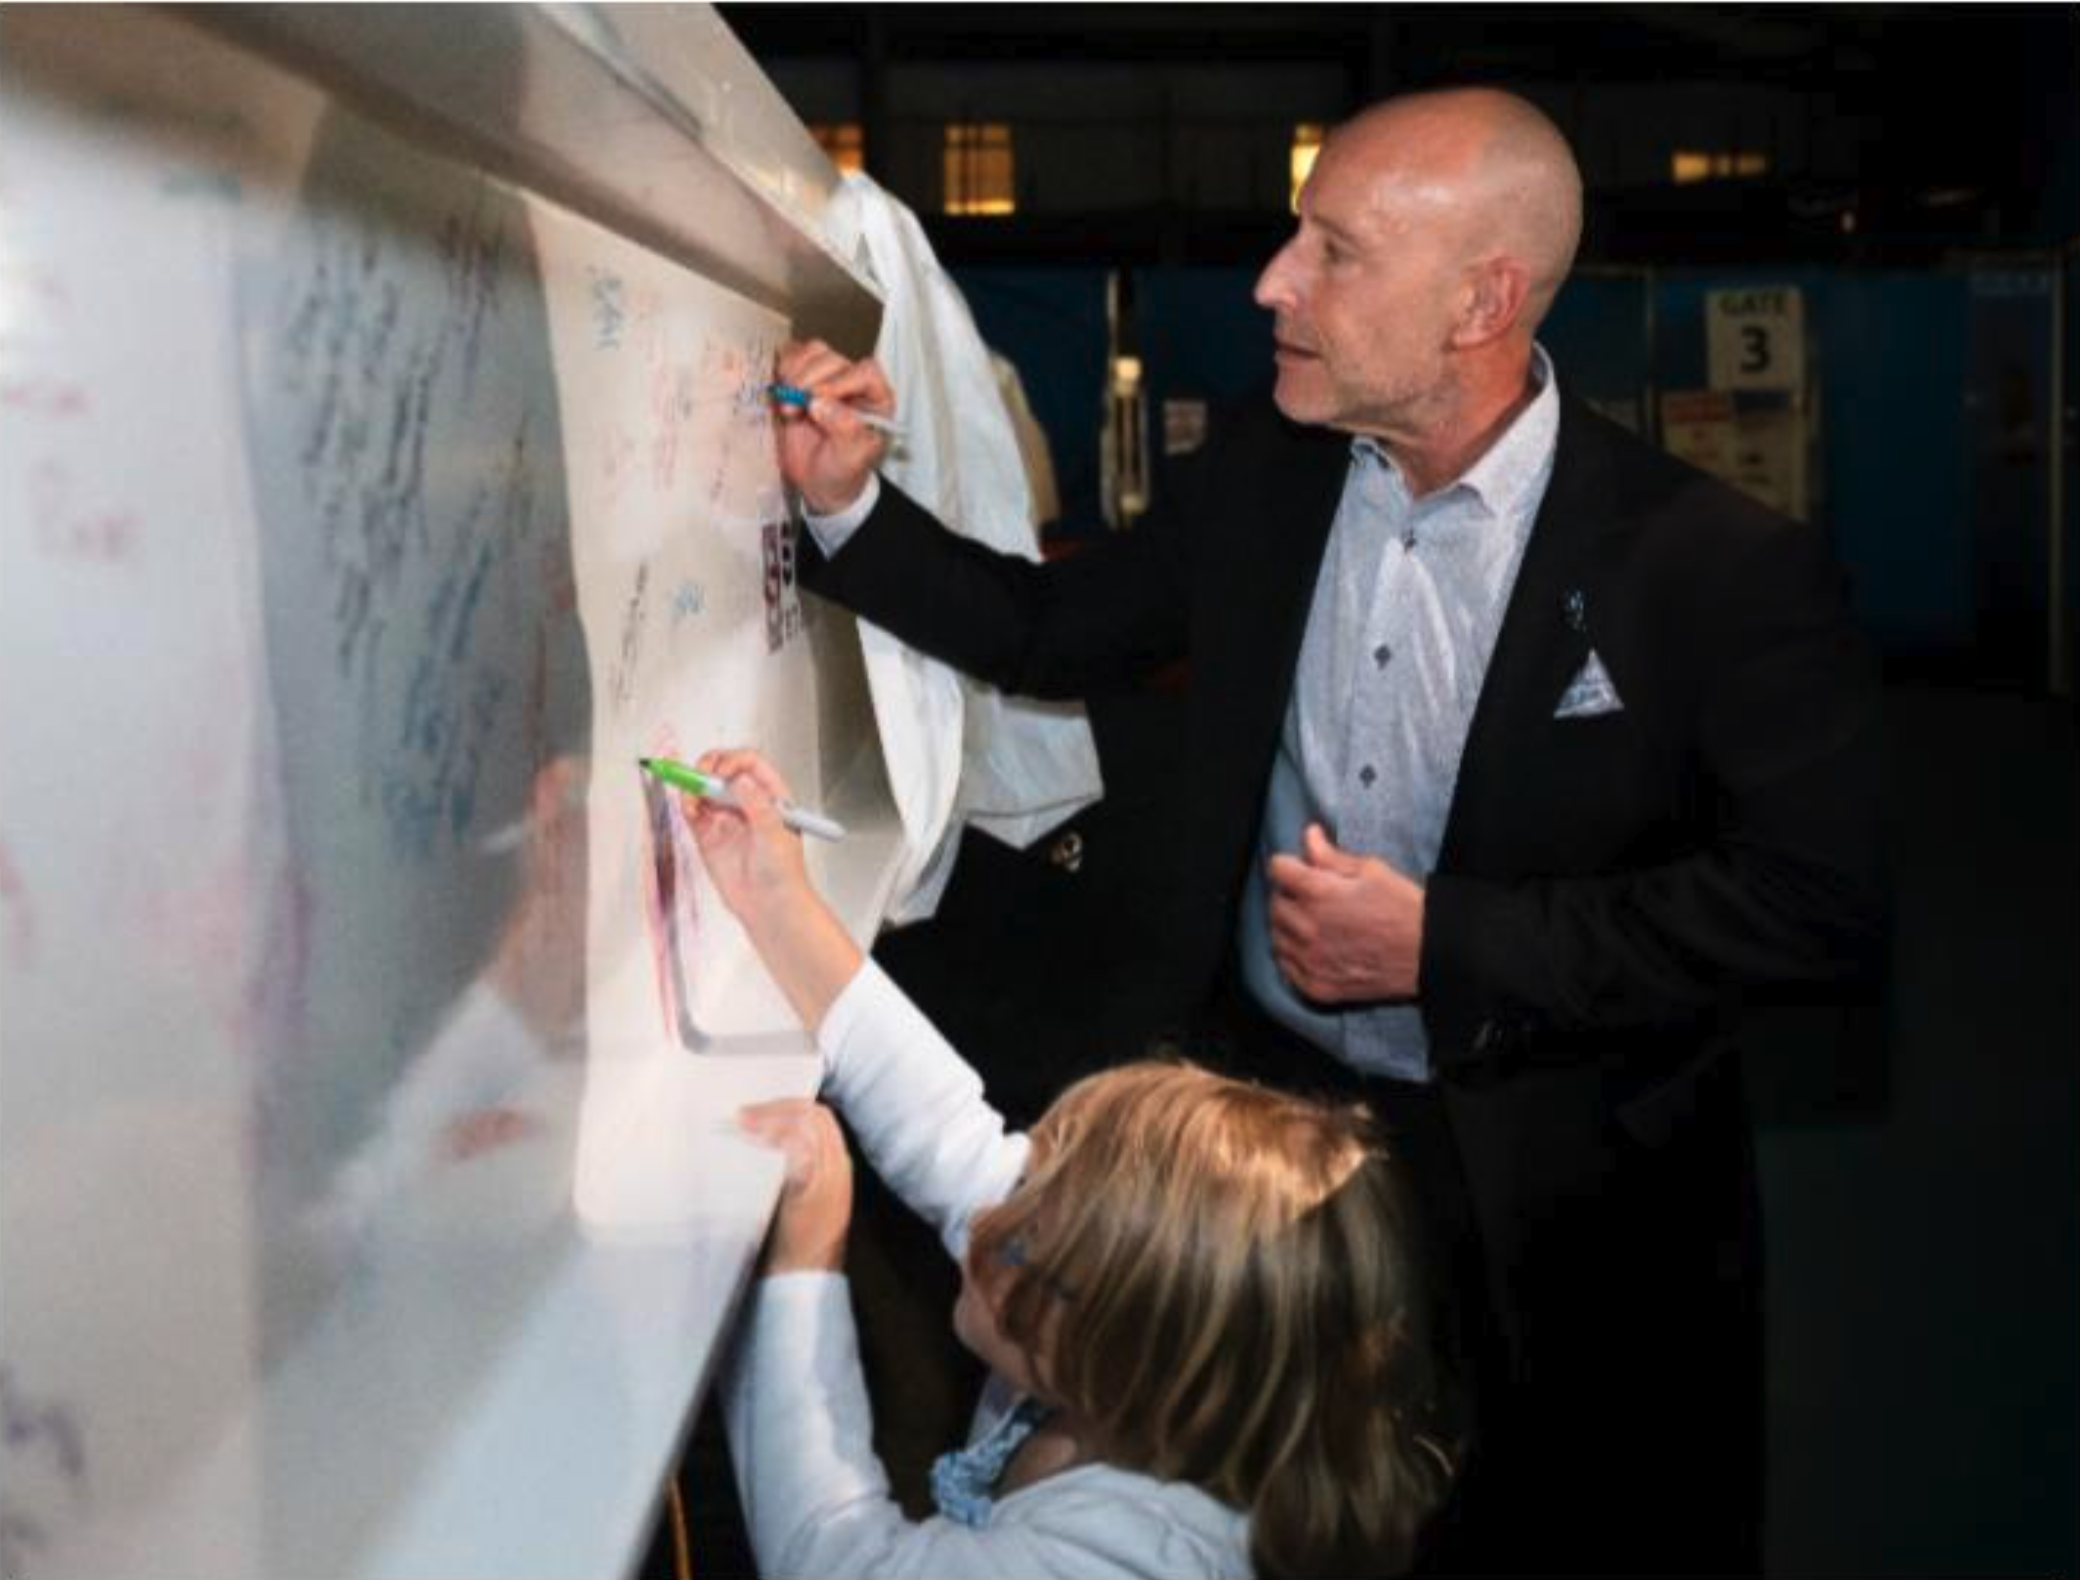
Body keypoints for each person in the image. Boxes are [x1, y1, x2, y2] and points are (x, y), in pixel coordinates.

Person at [767, 85, 1887, 1574]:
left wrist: (1446, 941)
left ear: (1481, 301)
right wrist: (846, 506)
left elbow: (1819, 906)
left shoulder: (1710, 569)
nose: (1272, 283)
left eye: (1333, 252)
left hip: (1564, 1185)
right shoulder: (1271, 471)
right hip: (1279, 1141)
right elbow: (1047, 629)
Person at [687, 749, 1452, 1580]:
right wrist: (774, 896)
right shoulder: (1121, 1326)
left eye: (1023, 1249)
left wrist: (806, 1260)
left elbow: (833, 1563)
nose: (991, 1220)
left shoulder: (1127, 1559)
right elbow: (949, 1136)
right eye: (1031, 1190)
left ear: (1142, 1370)